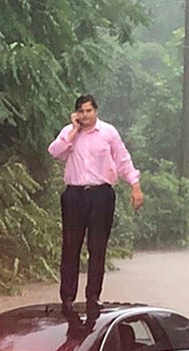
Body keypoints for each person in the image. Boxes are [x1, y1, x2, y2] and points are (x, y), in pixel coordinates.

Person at [47, 94, 144, 328]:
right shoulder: (69, 133)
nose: (85, 115)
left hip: (101, 194)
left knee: (97, 246)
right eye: (81, 111)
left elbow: (122, 159)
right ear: (76, 114)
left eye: (89, 111)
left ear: (96, 111)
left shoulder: (108, 133)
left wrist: (135, 186)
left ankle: (93, 296)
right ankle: (67, 298)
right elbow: (54, 152)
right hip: (74, 194)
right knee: (70, 246)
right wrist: (72, 131)